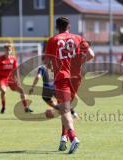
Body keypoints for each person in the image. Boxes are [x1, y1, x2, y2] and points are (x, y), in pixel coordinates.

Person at [45, 16, 94, 154]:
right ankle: (63, 138)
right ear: (69, 26)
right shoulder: (78, 38)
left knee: (64, 109)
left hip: (62, 77)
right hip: (76, 78)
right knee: (65, 108)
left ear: (57, 27)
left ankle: (73, 138)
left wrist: (52, 66)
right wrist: (78, 63)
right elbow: (91, 55)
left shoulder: (53, 40)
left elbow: (47, 62)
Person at [0, 43, 33, 114]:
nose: (8, 51)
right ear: (4, 50)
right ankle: (3, 107)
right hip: (2, 79)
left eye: (9, 50)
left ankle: (26, 107)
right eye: (7, 50)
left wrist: (18, 79)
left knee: (22, 90)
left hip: (11, 79)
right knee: (3, 91)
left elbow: (16, 70)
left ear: (11, 51)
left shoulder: (13, 59)